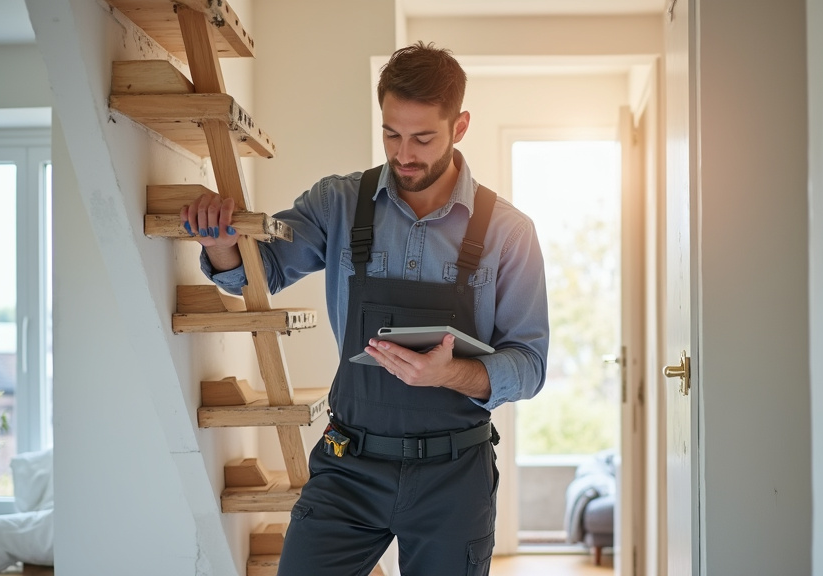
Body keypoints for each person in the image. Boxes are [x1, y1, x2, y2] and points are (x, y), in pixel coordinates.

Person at [181, 41, 549, 575]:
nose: (404, 154)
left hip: (454, 472)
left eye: (423, 137)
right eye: (391, 134)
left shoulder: (509, 232)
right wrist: (219, 242)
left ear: (460, 126)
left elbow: (530, 365)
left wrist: (452, 374)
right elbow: (263, 271)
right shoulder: (338, 202)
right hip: (349, 465)